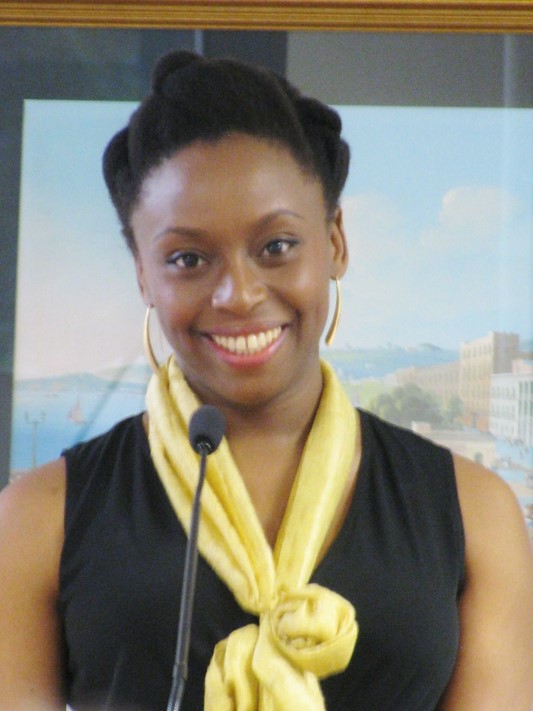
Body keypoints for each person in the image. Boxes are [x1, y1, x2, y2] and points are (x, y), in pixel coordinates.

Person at [1, 49, 532, 711]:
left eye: (276, 245)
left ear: (334, 241)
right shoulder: (38, 518)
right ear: (142, 272)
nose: (238, 293)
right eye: (187, 257)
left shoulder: (474, 513)